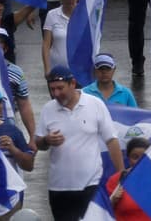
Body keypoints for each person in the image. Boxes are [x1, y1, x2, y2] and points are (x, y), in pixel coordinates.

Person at [34, 65, 124, 221]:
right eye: (52, 89)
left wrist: (122, 176)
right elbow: (39, 143)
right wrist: (46, 140)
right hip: (59, 188)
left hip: (90, 185)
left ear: (73, 84)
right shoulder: (48, 109)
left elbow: (112, 141)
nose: (56, 94)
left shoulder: (95, 104)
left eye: (60, 88)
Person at [104, 136, 151, 220]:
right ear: (128, 158)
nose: (139, 161)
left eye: (143, 157)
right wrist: (112, 200)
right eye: (135, 157)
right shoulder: (115, 180)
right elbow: (103, 212)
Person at [42, 0, 81, 76]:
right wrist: (47, 69)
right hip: (57, 70)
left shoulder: (85, 15)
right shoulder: (52, 15)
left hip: (79, 71)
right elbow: (46, 44)